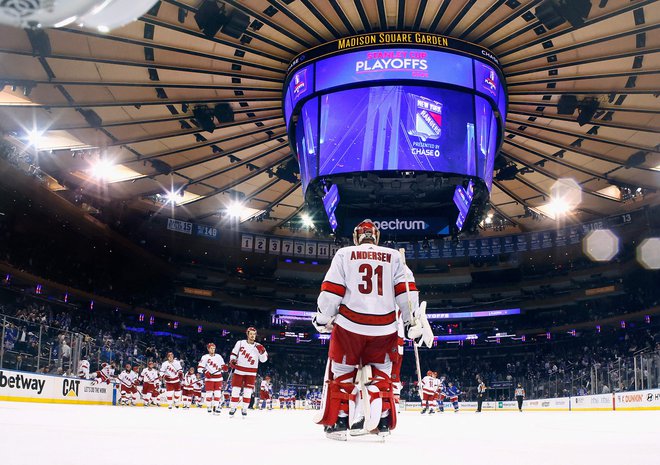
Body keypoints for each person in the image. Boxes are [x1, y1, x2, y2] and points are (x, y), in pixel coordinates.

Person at [313, 218, 434, 440]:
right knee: (381, 376)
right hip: (385, 329)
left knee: (342, 375)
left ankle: (339, 423)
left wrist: (322, 318)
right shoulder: (394, 256)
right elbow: (407, 292)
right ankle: (384, 421)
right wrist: (410, 322)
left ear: (356, 237)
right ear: (376, 237)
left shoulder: (344, 253)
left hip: (349, 326)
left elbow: (331, 291)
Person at [228, 327, 268, 418]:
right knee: (235, 390)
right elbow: (234, 353)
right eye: (251, 334)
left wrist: (262, 352)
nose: (253, 336)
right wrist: (232, 360)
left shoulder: (259, 346)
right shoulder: (240, 343)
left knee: (248, 392)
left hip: (251, 372)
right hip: (239, 370)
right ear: (247, 334)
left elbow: (263, 360)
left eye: (254, 334)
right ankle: (233, 408)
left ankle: (244, 409)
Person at [197, 342, 227, 414]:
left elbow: (223, 367)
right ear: (208, 349)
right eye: (211, 348)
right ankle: (209, 406)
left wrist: (224, 368)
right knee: (209, 393)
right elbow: (199, 368)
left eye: (214, 348)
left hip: (218, 378)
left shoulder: (219, 356)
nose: (213, 350)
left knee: (217, 393)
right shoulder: (205, 357)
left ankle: (216, 407)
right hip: (209, 378)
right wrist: (205, 372)